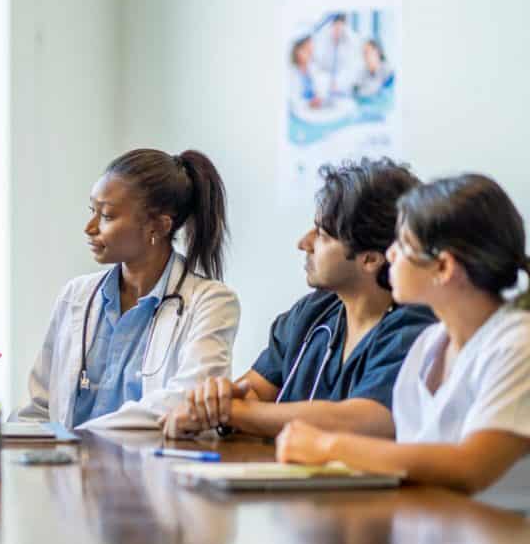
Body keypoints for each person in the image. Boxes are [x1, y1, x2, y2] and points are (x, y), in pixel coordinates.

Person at [277, 175, 530, 505]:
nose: (391, 254)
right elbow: (411, 462)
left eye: (403, 245)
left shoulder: (517, 344)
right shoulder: (428, 345)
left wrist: (328, 446)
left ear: (443, 267)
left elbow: (470, 468)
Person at [162, 158, 436, 440]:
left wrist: (231, 413)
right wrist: (217, 400)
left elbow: (368, 418)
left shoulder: (415, 326)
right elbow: (254, 390)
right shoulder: (314, 311)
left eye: (323, 235)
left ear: (369, 259)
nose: (304, 243)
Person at [13, 148, 240, 429]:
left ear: (158, 226)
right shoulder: (76, 296)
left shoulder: (211, 303)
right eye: (92, 211)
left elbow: (188, 402)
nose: (89, 227)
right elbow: (40, 408)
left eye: (107, 216)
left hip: (153, 468)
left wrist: (77, 437)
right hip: (71, 468)